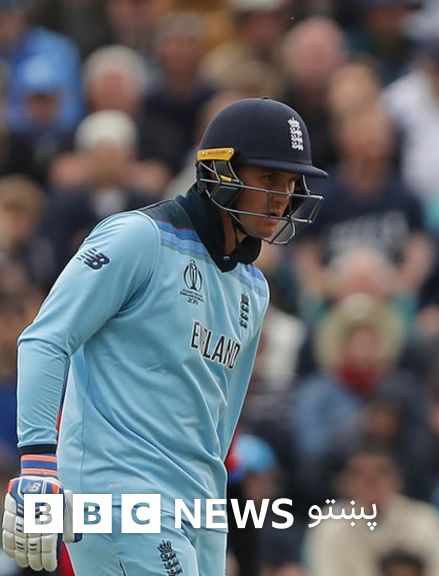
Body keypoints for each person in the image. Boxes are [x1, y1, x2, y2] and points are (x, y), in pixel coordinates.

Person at [2, 97, 328, 574]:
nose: (283, 196)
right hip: (118, 494)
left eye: (292, 182)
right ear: (220, 172)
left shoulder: (253, 287)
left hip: (199, 506)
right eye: (270, 179)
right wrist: (37, 465)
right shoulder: (139, 238)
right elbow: (45, 339)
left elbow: (222, 421)